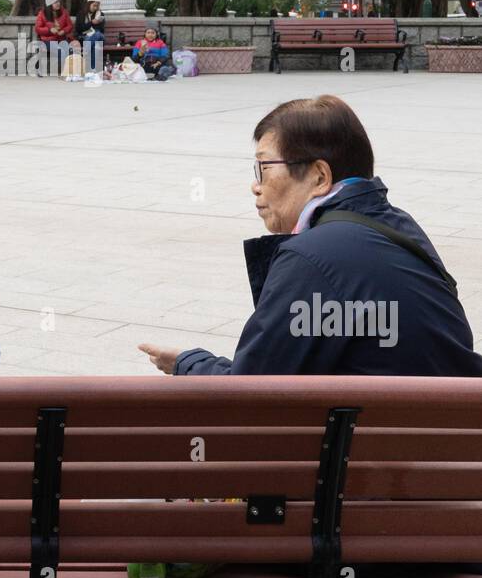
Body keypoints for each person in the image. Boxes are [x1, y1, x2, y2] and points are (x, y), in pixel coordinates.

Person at [140, 94, 481, 379]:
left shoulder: (312, 257)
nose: (255, 184)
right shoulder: (399, 228)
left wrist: (187, 363)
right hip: (446, 444)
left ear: (319, 176)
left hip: (366, 454)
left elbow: (249, 394)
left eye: (264, 167)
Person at [76, 0, 105, 71]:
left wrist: (98, 22)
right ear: (89, 4)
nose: (95, 7)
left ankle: (85, 52)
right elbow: (79, 29)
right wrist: (92, 22)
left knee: (97, 34)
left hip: (99, 36)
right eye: (94, 5)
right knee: (95, 45)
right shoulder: (81, 14)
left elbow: (102, 30)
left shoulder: (100, 14)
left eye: (97, 6)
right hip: (85, 37)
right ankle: (93, 69)